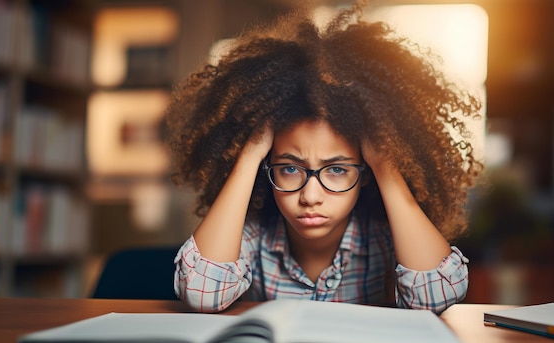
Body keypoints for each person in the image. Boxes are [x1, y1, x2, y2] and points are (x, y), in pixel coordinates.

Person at [166, 0, 482, 314]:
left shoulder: (385, 236)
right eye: (290, 168)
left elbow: (438, 298)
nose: (310, 196)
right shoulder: (254, 235)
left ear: (366, 172)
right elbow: (201, 294)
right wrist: (248, 156)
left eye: (336, 170)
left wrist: (386, 165)